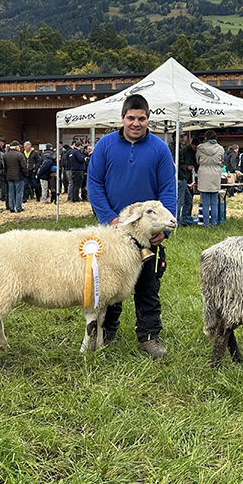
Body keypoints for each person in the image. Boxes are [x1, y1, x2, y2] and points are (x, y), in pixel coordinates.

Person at [87, 94, 176, 359]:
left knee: (148, 286)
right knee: (110, 284)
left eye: (141, 118)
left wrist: (164, 229)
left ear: (148, 119)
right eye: (131, 118)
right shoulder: (105, 146)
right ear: (122, 118)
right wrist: (110, 218)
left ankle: (149, 336)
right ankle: (105, 331)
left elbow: (168, 190)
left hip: (147, 235)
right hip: (113, 232)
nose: (136, 123)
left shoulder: (160, 149)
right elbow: (94, 184)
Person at [195, 130, 224, 227]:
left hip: (204, 173)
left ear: (206, 137)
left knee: (205, 203)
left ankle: (206, 224)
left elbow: (197, 160)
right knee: (214, 203)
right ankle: (214, 224)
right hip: (215, 173)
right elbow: (221, 160)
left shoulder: (200, 147)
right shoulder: (220, 148)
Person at [176, 136, 196, 226]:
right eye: (181, 137)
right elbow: (179, 164)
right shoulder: (178, 149)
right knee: (180, 201)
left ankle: (184, 220)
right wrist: (186, 167)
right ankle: (177, 221)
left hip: (183, 178)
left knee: (188, 200)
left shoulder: (180, 148)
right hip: (180, 177)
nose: (183, 139)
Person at [3, 140, 27, 212]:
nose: (20, 148)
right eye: (19, 147)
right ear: (16, 147)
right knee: (19, 193)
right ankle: (19, 208)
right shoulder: (20, 155)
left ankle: (11, 208)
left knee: (11, 193)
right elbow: (24, 166)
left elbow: (5, 167)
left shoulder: (6, 155)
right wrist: (25, 174)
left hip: (9, 176)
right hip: (19, 176)